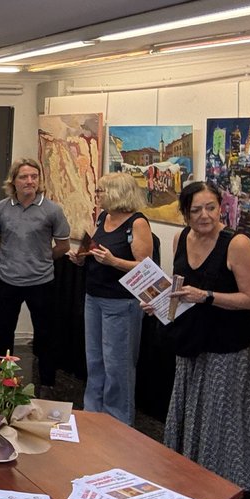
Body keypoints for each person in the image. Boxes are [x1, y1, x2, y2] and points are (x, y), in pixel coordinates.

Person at [154, 182, 250, 490]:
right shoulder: (181, 237)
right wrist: (158, 304)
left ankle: (225, 484)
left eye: (211, 207)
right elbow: (179, 289)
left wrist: (207, 296)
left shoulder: (237, 244)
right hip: (190, 341)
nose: (205, 216)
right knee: (193, 410)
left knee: (220, 417)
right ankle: (190, 472)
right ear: (185, 213)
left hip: (227, 345)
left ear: (220, 207)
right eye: (196, 210)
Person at [69, 171, 152, 423]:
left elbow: (146, 266)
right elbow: (94, 249)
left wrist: (114, 261)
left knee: (117, 365)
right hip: (93, 296)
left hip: (121, 302)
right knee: (95, 360)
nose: (96, 196)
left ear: (117, 192)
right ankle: (92, 417)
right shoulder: (104, 217)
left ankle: (117, 421)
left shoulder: (137, 223)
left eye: (100, 191)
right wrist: (81, 257)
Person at [0, 158, 70, 388]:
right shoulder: (0, 209)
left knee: (45, 335)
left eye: (34, 176)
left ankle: (46, 384)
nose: (30, 181)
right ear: (13, 181)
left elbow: (63, 246)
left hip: (41, 283)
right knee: (3, 334)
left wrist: (41, 259)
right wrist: (15, 257)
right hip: (6, 280)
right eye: (24, 176)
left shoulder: (52, 210)